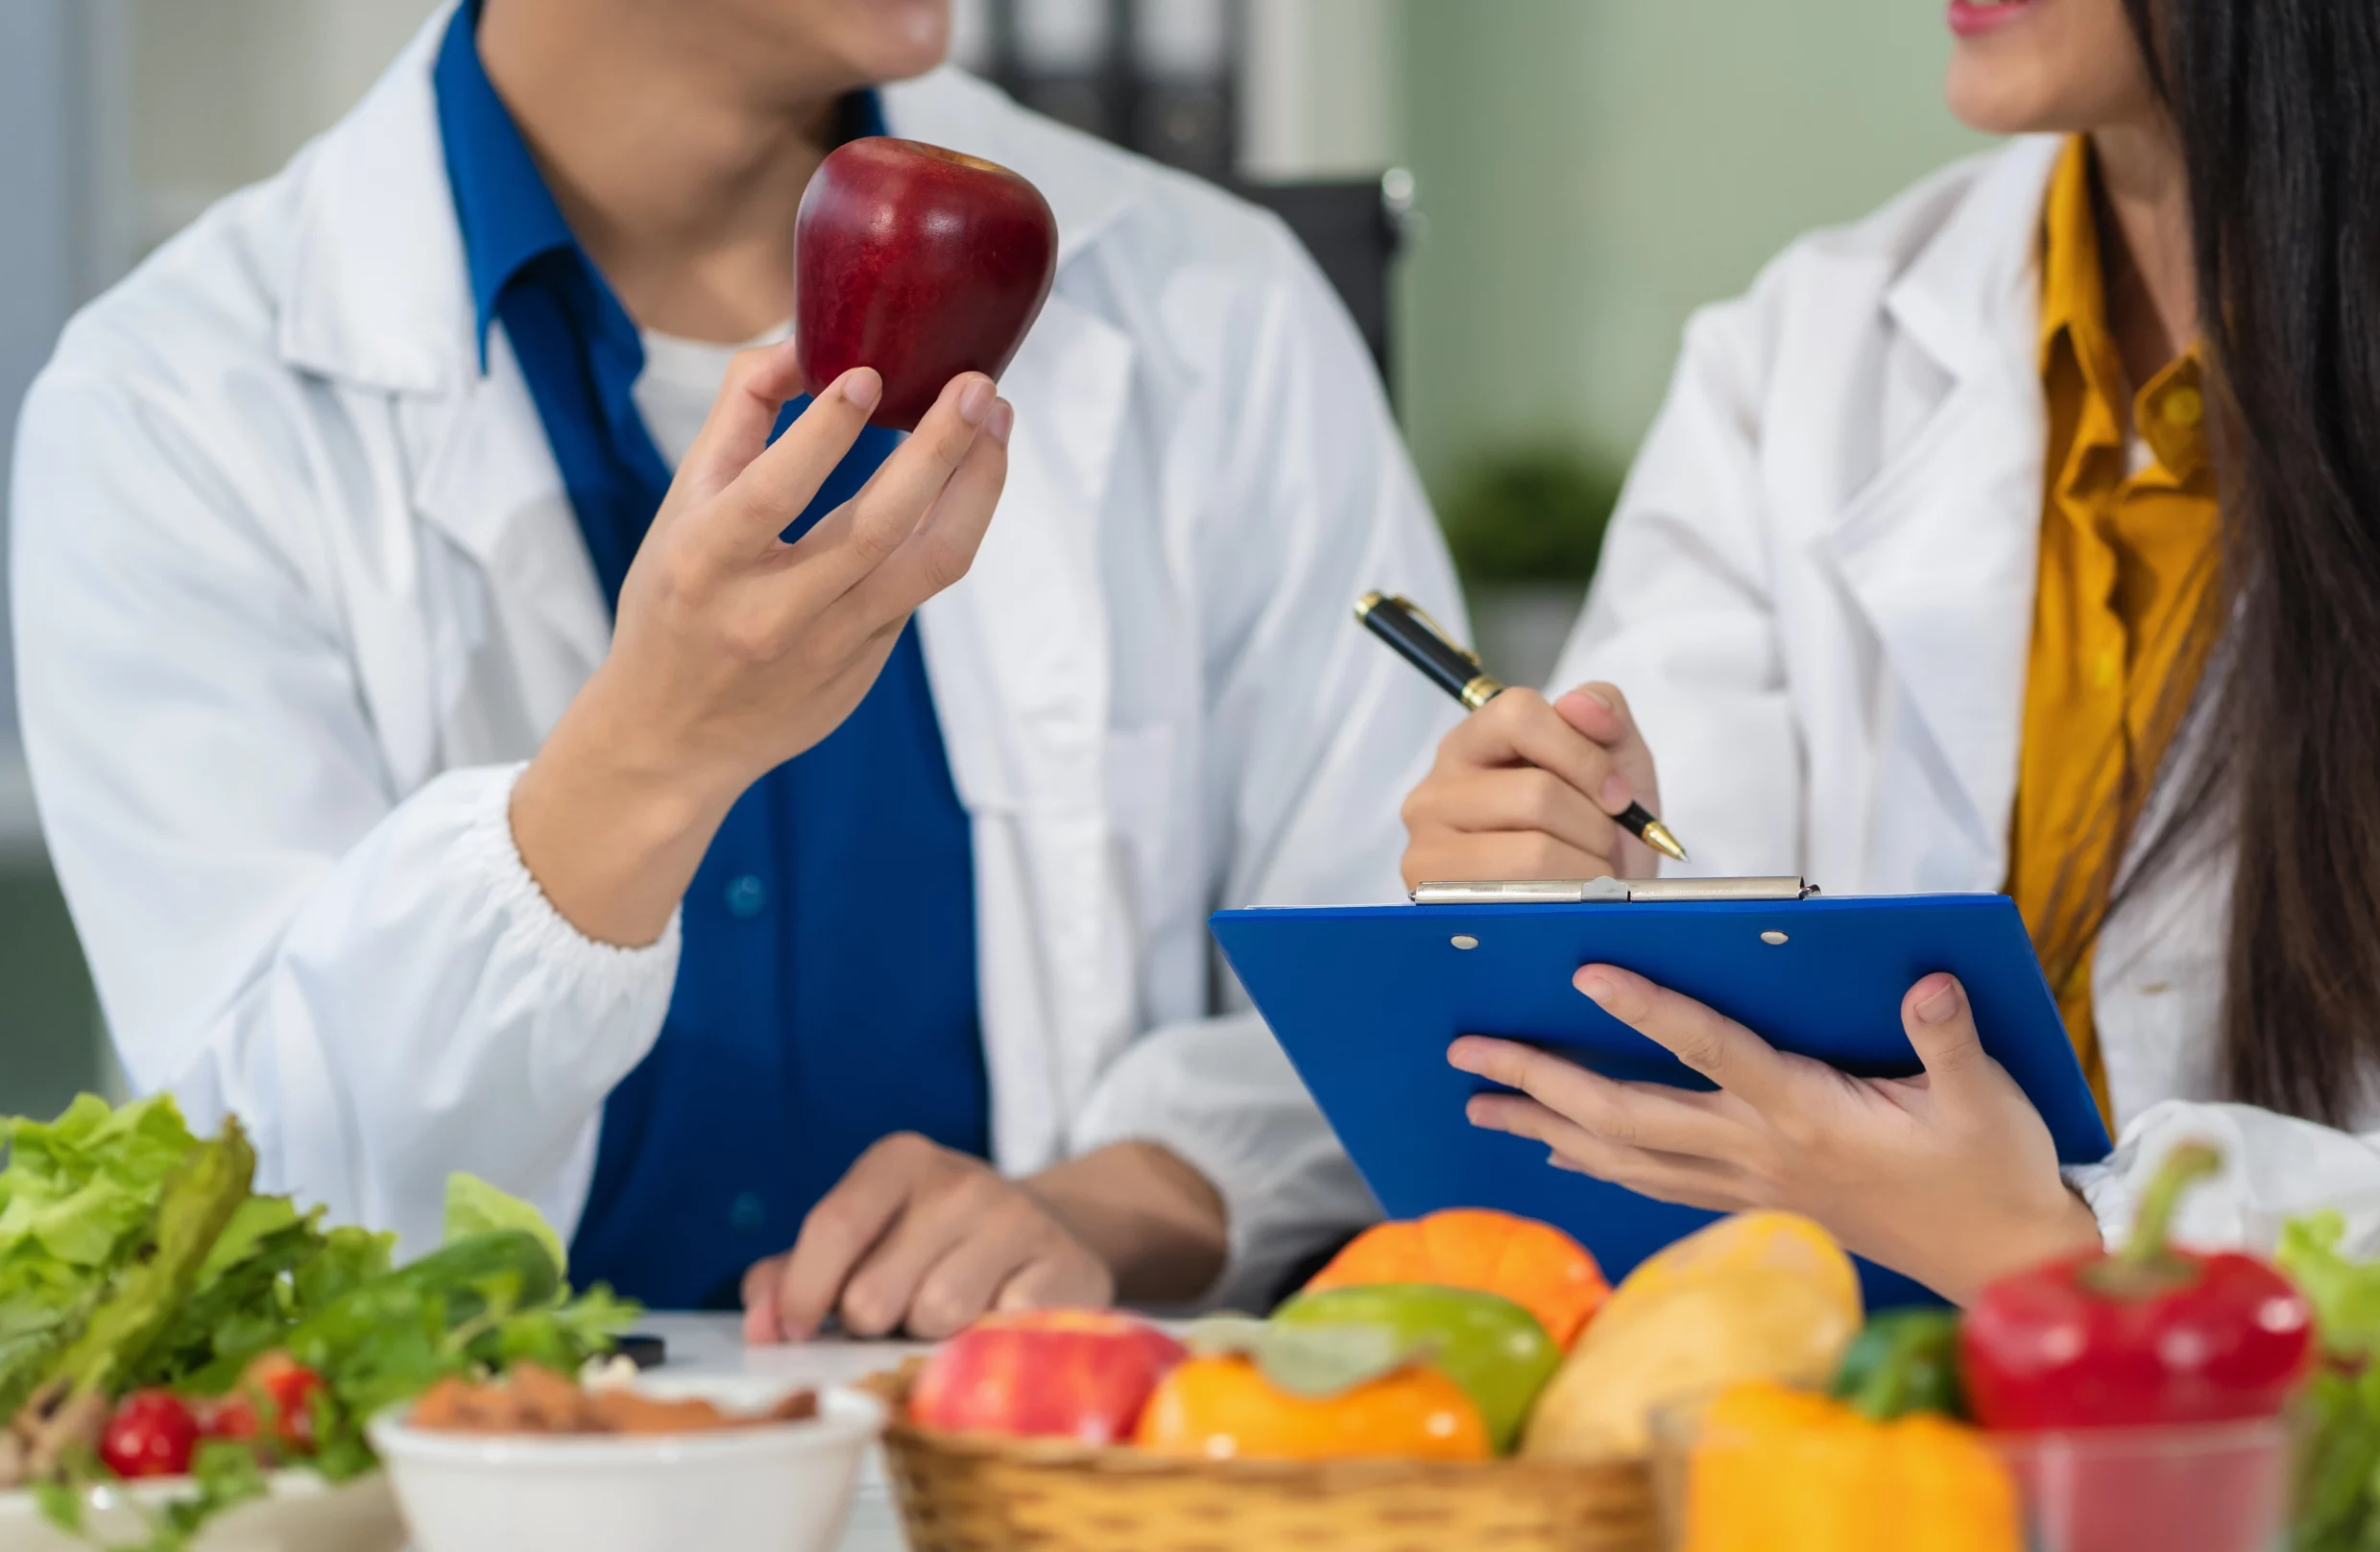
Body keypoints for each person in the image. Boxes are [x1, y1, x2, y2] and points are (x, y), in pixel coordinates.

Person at [12, 0, 1462, 1336]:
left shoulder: (1216, 306)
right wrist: (648, 754)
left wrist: (1120, 1204)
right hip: (447, 1535)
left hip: (1046, 1503)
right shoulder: (172, 407)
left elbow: (1402, 972)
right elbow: (264, 1176)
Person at [1399, 0, 2380, 1301]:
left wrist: (2071, 1249)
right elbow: (1683, 971)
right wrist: (1575, 883)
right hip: (1854, 1456)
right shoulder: (1807, 351)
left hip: (2364, 1483)